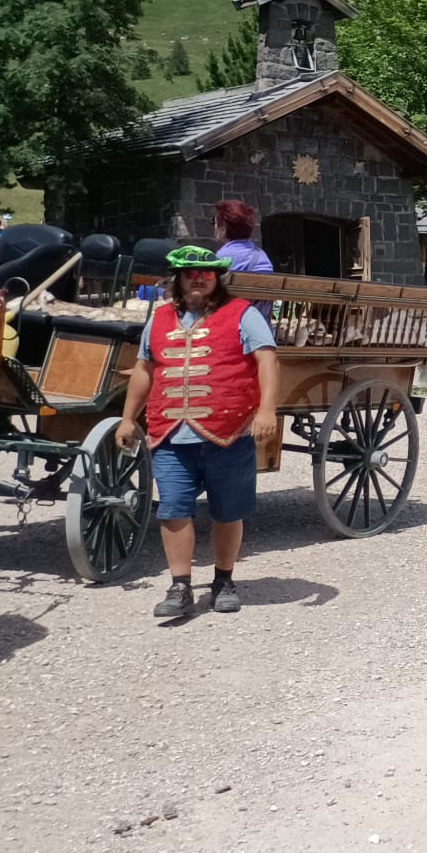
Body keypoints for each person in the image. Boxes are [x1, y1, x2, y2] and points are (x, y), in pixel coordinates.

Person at [116, 246, 279, 619]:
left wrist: (267, 408)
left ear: (217, 278)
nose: (199, 279)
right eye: (191, 273)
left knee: (227, 512)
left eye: (207, 273)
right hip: (170, 434)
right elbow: (144, 369)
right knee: (173, 511)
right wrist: (128, 418)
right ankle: (180, 586)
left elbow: (267, 358)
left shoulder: (243, 314)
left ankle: (224, 581)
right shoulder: (158, 319)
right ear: (178, 278)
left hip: (229, 432)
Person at [213, 199, 274, 274]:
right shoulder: (262, 256)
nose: (214, 226)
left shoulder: (221, 258)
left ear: (223, 229)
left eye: (214, 222)